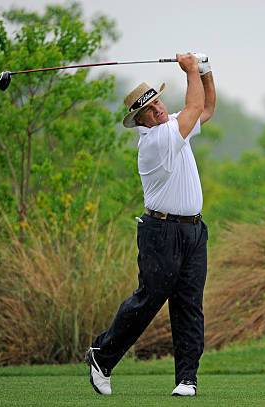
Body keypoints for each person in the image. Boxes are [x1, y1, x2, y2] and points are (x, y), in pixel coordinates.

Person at [85, 52, 216, 397]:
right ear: (141, 121)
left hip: (193, 231)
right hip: (161, 232)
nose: (158, 111)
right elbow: (192, 111)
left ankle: (187, 379)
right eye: (150, 111)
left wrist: (206, 72)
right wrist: (190, 70)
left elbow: (205, 110)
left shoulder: (173, 125)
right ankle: (102, 355)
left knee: (189, 303)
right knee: (149, 299)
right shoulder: (156, 140)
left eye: (158, 104)